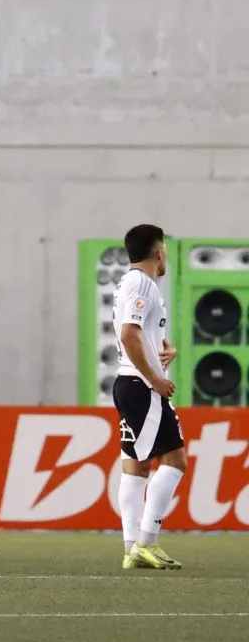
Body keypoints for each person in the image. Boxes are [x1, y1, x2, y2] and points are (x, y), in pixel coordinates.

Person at [113, 224, 185, 570]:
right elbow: (129, 335)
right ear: (158, 252)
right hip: (142, 387)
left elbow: (138, 331)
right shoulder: (143, 283)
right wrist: (155, 377)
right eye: (165, 249)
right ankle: (147, 542)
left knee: (136, 466)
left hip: (128, 383)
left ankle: (132, 548)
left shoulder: (128, 283)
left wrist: (163, 347)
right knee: (175, 460)